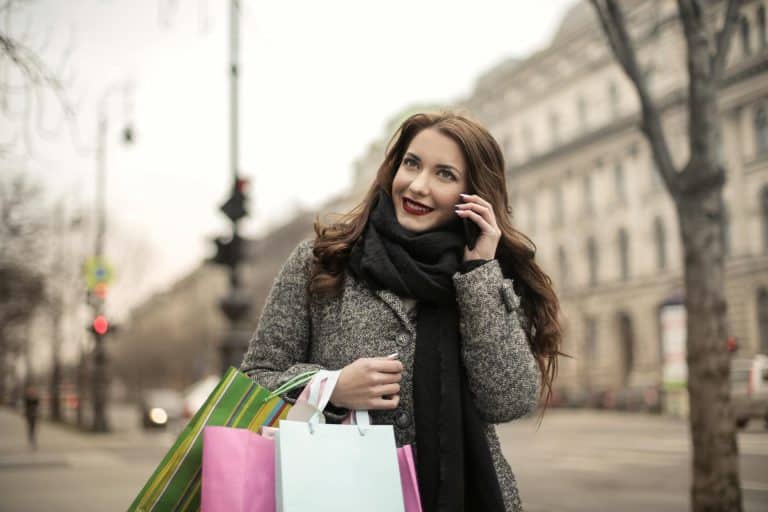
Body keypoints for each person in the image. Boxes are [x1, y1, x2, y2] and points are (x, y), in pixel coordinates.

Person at [241, 112, 562, 512]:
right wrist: (332, 387)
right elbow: (255, 381)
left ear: (473, 194)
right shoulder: (323, 262)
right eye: (412, 163)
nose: (418, 185)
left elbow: (509, 401)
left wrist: (478, 272)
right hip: (338, 494)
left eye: (444, 174)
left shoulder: (484, 277)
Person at [23, 385, 40, 449]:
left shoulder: (35, 398)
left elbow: (37, 405)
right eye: (30, 391)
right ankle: (31, 439)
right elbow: (26, 406)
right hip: (29, 415)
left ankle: (33, 440)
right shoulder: (27, 398)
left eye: (32, 391)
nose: (32, 392)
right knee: (30, 428)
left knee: (33, 428)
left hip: (34, 415)